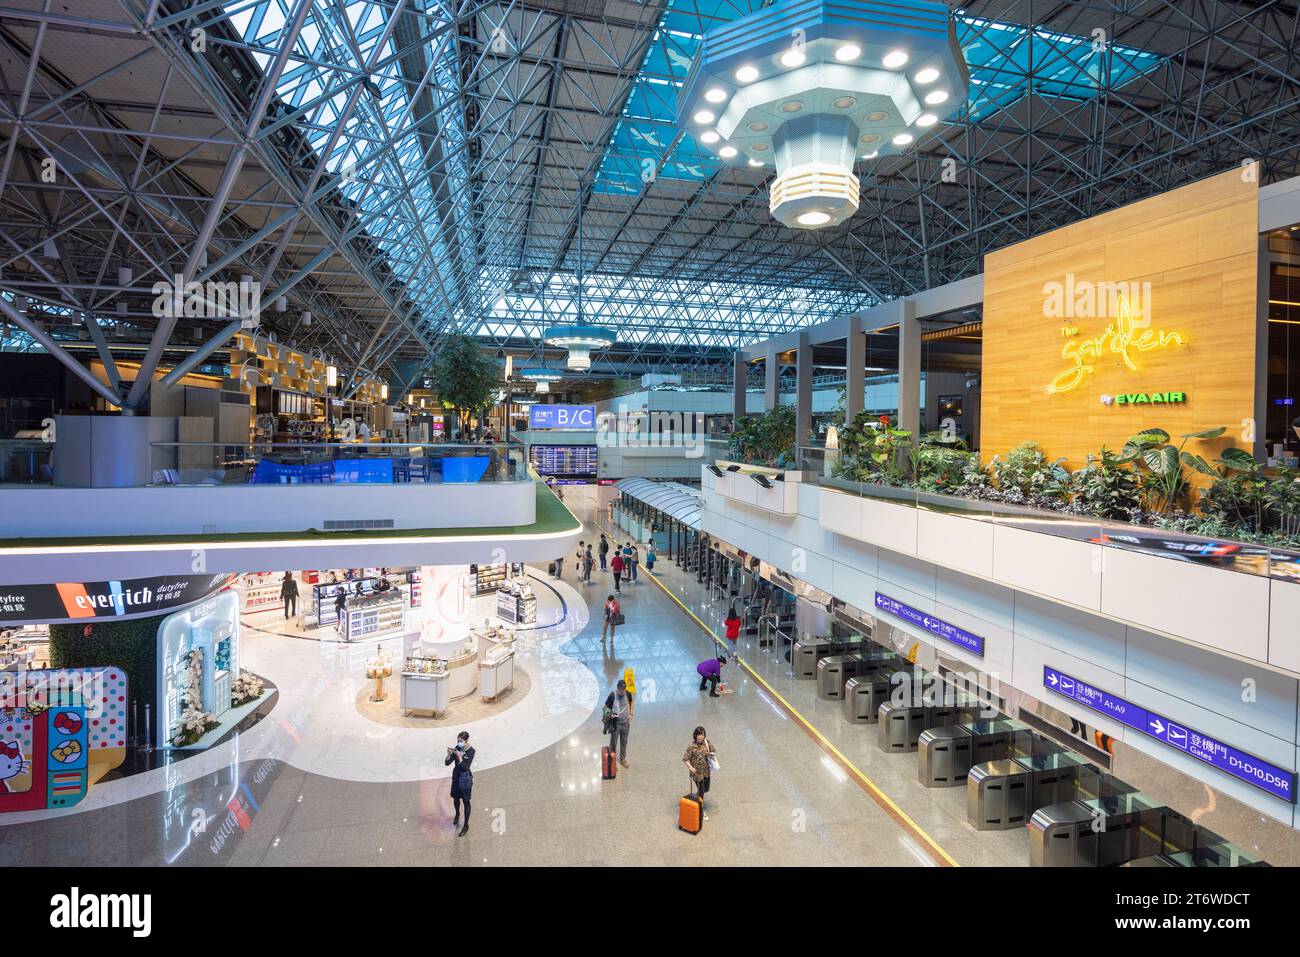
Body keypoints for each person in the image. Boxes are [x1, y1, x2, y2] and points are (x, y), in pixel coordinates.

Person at [682, 726, 717, 822]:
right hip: (697, 774)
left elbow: (713, 750)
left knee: (706, 789)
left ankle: (697, 794)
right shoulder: (691, 747)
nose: (701, 737)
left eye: (702, 735)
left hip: (706, 771)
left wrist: (710, 754)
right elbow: (685, 759)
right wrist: (690, 767)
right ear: (695, 735)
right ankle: (701, 811)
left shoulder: (706, 742)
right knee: (702, 794)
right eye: (699, 735)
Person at [445, 731, 475, 836]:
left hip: (465, 778)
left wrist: (459, 757)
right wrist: (448, 755)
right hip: (456, 777)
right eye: (458, 740)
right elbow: (447, 763)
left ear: (466, 741)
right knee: (456, 798)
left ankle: (466, 825)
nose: (458, 743)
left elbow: (465, 767)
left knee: (466, 801)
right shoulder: (457, 747)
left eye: (461, 741)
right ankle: (457, 814)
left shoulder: (471, 751)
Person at [605, 679, 634, 769]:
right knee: (613, 743)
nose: (623, 691)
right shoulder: (612, 695)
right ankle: (612, 762)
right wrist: (610, 714)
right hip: (616, 725)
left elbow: (631, 702)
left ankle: (622, 759)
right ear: (618, 688)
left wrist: (631, 713)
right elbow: (605, 707)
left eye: (624, 689)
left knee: (624, 742)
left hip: (625, 723)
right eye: (621, 689)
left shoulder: (628, 694)